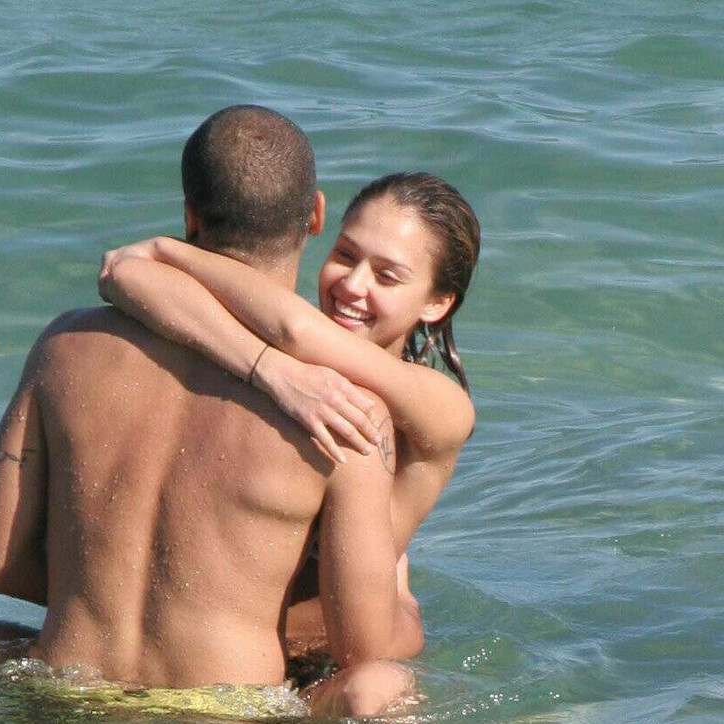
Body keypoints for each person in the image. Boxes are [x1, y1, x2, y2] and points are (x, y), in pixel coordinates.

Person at [0, 105, 423, 718]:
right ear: (315, 215)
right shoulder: (341, 405)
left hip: (65, 692)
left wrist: (105, 587)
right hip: (224, 710)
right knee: (381, 685)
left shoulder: (65, 346)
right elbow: (362, 646)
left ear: (189, 215)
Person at [98, 170, 481, 658]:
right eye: (345, 254)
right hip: (230, 653)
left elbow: (296, 330)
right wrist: (269, 367)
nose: (352, 284)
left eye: (386, 276)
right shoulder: (292, 352)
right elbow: (125, 276)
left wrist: (168, 249)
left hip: (331, 662)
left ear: (437, 303)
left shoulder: (442, 406)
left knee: (379, 686)